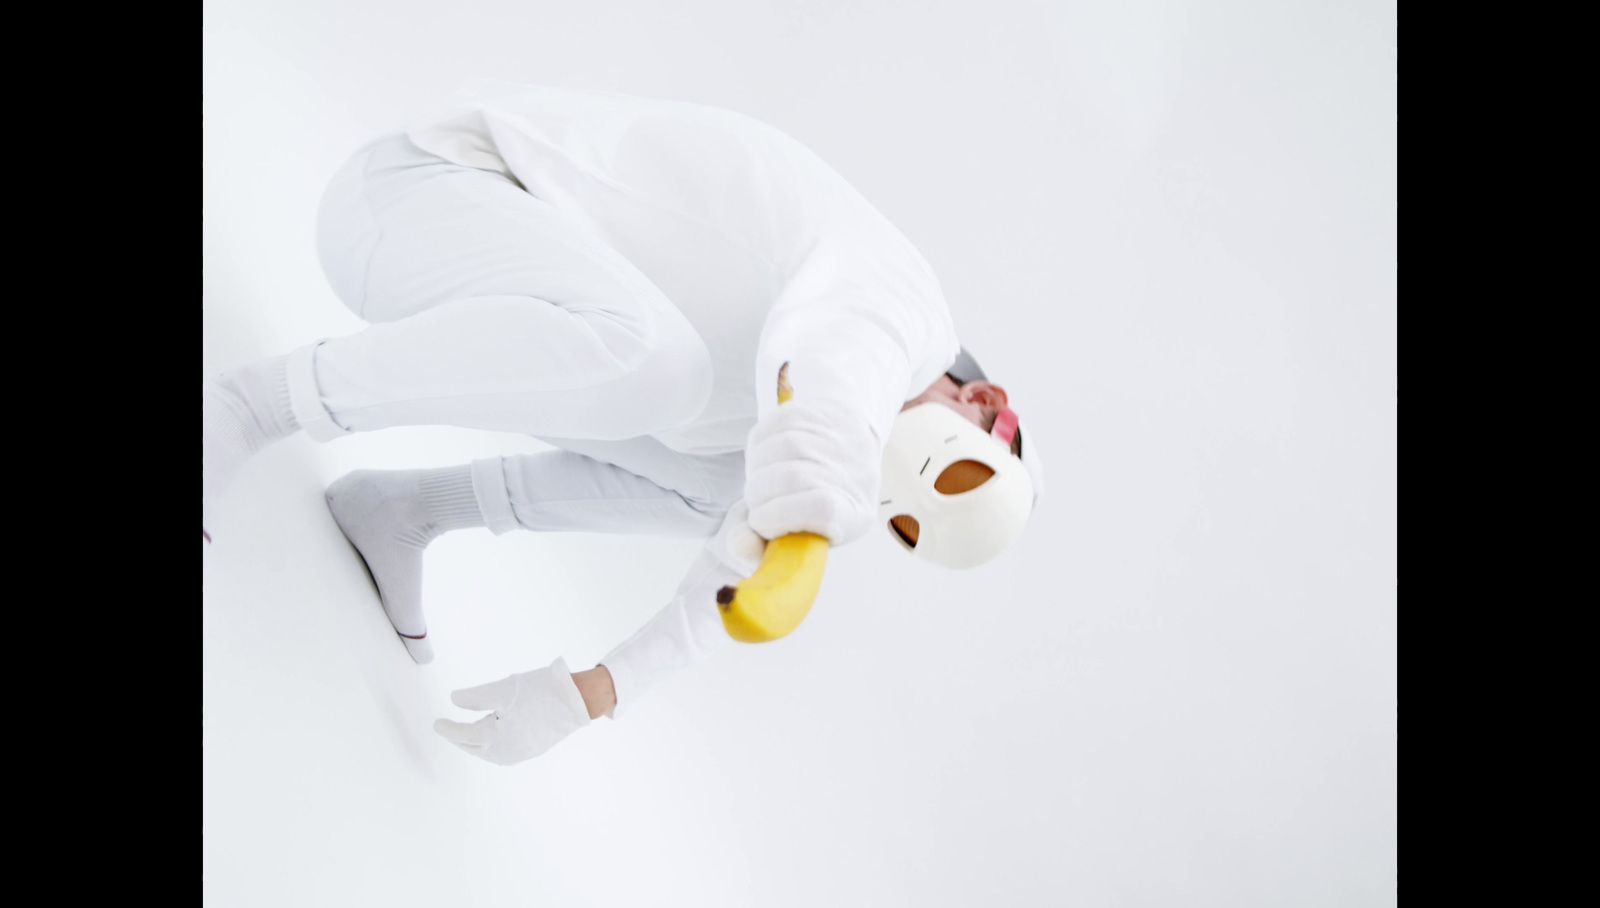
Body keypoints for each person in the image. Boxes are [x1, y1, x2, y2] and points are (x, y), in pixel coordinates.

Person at [202, 82, 1043, 766]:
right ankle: (246, 405)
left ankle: (407, 508)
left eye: (907, 523)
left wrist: (596, 690)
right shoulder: (899, 302)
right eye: (958, 469)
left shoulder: (838, 376)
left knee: (731, 482)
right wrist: (823, 489)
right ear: (981, 403)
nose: (906, 488)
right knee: (660, 364)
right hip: (410, 196)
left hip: (438, 265)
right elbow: (834, 365)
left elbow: (755, 530)